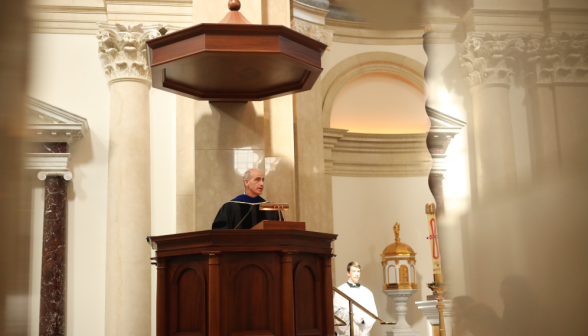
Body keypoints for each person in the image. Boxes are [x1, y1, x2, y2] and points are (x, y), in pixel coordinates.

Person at [211, 168, 281, 229]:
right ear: (246, 182)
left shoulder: (271, 208)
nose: (262, 184)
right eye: (257, 180)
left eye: (262, 180)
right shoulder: (230, 207)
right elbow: (219, 234)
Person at [333, 262, 377, 336]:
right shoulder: (340, 290)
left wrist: (363, 321)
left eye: (358, 271)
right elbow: (336, 311)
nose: (356, 274)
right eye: (354, 271)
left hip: (362, 329)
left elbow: (373, 312)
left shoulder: (367, 292)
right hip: (347, 329)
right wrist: (352, 316)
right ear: (348, 273)